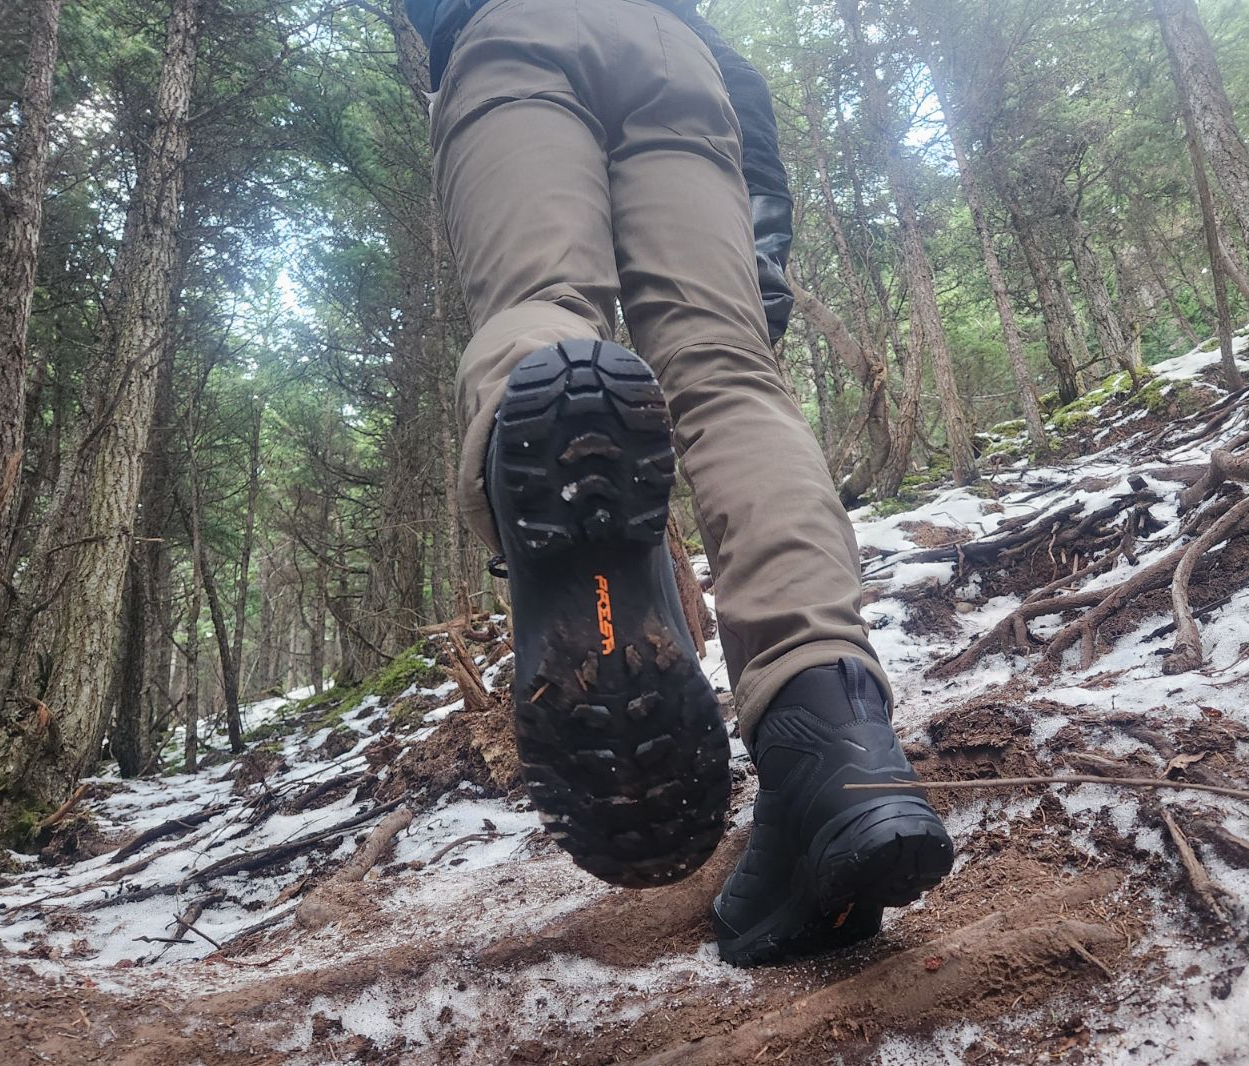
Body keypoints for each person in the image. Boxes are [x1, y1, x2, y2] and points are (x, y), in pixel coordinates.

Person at [404, 0, 953, 966]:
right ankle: (834, 744)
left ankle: (579, 538)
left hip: (511, 34)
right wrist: (764, 247)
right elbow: (738, 81)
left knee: (544, 313)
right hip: (675, 55)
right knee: (729, 370)